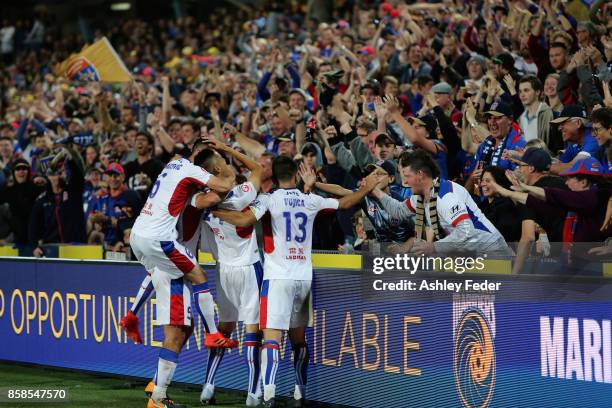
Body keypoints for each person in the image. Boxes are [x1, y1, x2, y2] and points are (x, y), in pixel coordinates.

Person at [211, 156, 382, 407]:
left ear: (275, 176)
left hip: (278, 277)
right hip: (303, 277)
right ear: (296, 175)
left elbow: (246, 221)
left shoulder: (268, 199)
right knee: (298, 340)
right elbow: (344, 203)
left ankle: (268, 393)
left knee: (271, 338)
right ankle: (300, 392)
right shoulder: (309, 199)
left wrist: (216, 211)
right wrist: (366, 189)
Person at [129, 140, 237, 408]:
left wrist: (133, 310)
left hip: (147, 241)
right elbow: (219, 191)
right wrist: (231, 170)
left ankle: (156, 384)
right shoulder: (191, 180)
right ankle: (159, 397)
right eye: (217, 164)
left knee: (184, 328)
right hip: (167, 254)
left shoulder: (174, 168)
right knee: (178, 328)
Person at [191, 138, 264, 407]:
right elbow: (258, 169)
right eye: (223, 162)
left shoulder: (204, 208)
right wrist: (227, 147)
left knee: (224, 329)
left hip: (223, 271)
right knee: (252, 331)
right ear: (218, 171)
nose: (228, 164)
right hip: (248, 268)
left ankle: (208, 385)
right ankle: (253, 392)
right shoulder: (241, 194)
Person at [372, 149, 511, 256]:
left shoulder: (446, 197)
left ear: (420, 175)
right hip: (476, 254)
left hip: (494, 253)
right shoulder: (423, 195)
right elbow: (399, 211)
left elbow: (466, 231)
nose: (405, 181)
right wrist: (375, 191)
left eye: (408, 176)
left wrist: (434, 247)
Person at [490, 157, 612, 274]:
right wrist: (508, 192)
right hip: (575, 264)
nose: (566, 183)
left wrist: (523, 188)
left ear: (584, 182)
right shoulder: (578, 205)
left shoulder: (596, 197)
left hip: (595, 267)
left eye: (569, 179)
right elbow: (539, 203)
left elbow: (555, 195)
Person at [28, 148, 87, 256]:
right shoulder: (42, 200)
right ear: (48, 177)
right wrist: (34, 246)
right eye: (52, 174)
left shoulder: (73, 192)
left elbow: (79, 178)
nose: (56, 177)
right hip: (51, 247)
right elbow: (33, 226)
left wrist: (70, 160)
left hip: (75, 246)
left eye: (59, 173)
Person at [549, 105, 598, 174]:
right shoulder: (576, 142)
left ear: (578, 123)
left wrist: (545, 168)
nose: (559, 128)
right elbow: (559, 163)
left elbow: (573, 167)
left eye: (563, 123)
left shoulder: (593, 137)